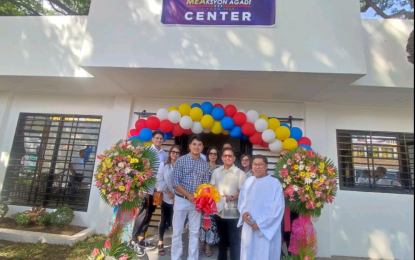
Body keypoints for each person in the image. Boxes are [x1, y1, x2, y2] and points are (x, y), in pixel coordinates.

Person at [238, 154, 285, 260]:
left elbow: (278, 208)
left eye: (260, 164)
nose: (257, 167)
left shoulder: (275, 183)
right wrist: (243, 211)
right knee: (248, 254)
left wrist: (261, 223)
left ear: (266, 166)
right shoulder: (248, 181)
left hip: (266, 229)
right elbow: (241, 200)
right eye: (255, 164)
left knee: (264, 254)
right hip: (249, 226)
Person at [171, 135, 210, 260]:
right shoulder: (181, 160)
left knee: (194, 232)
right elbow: (175, 182)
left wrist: (202, 198)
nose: (196, 147)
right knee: (177, 231)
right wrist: (188, 195)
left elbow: (205, 185)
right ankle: (175, 257)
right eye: (194, 144)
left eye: (199, 145)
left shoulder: (204, 165)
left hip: (196, 203)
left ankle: (192, 258)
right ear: (190, 146)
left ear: (202, 147)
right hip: (181, 200)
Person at [131, 131, 168, 257]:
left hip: (157, 190)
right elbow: (139, 169)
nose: (159, 140)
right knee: (142, 212)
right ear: (152, 139)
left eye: (161, 138)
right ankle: (134, 240)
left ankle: (142, 238)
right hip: (146, 188)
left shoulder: (164, 154)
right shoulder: (146, 152)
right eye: (157, 138)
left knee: (150, 213)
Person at [210, 148, 246, 260]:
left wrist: (230, 197)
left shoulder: (240, 173)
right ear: (222, 158)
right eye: (225, 155)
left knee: (234, 241)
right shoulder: (216, 172)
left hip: (233, 212)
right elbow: (211, 188)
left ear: (234, 158)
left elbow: (243, 193)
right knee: (222, 240)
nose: (227, 158)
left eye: (230, 156)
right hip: (219, 212)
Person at [156, 145, 181, 256]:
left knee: (175, 222)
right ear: (170, 153)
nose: (175, 154)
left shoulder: (181, 166)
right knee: (163, 219)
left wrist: (178, 194)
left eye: (177, 152)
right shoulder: (164, 165)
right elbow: (159, 180)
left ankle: (174, 245)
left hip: (179, 198)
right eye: (173, 152)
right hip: (167, 197)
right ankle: (160, 242)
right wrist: (168, 192)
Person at [199, 146, 220, 257]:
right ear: (208, 155)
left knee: (210, 223)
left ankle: (208, 245)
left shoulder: (220, 168)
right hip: (202, 200)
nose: (213, 155)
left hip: (214, 201)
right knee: (200, 223)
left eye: (215, 154)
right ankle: (199, 245)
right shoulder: (202, 166)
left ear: (217, 156)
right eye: (211, 153)